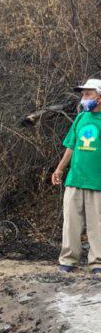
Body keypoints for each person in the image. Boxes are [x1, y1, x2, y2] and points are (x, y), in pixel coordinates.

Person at [52, 78, 101, 274]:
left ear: (99, 97)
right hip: (75, 179)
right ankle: (68, 260)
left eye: (88, 94)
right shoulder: (81, 118)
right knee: (71, 222)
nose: (84, 98)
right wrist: (59, 169)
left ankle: (97, 262)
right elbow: (71, 146)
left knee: (97, 224)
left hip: (97, 182)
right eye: (83, 95)